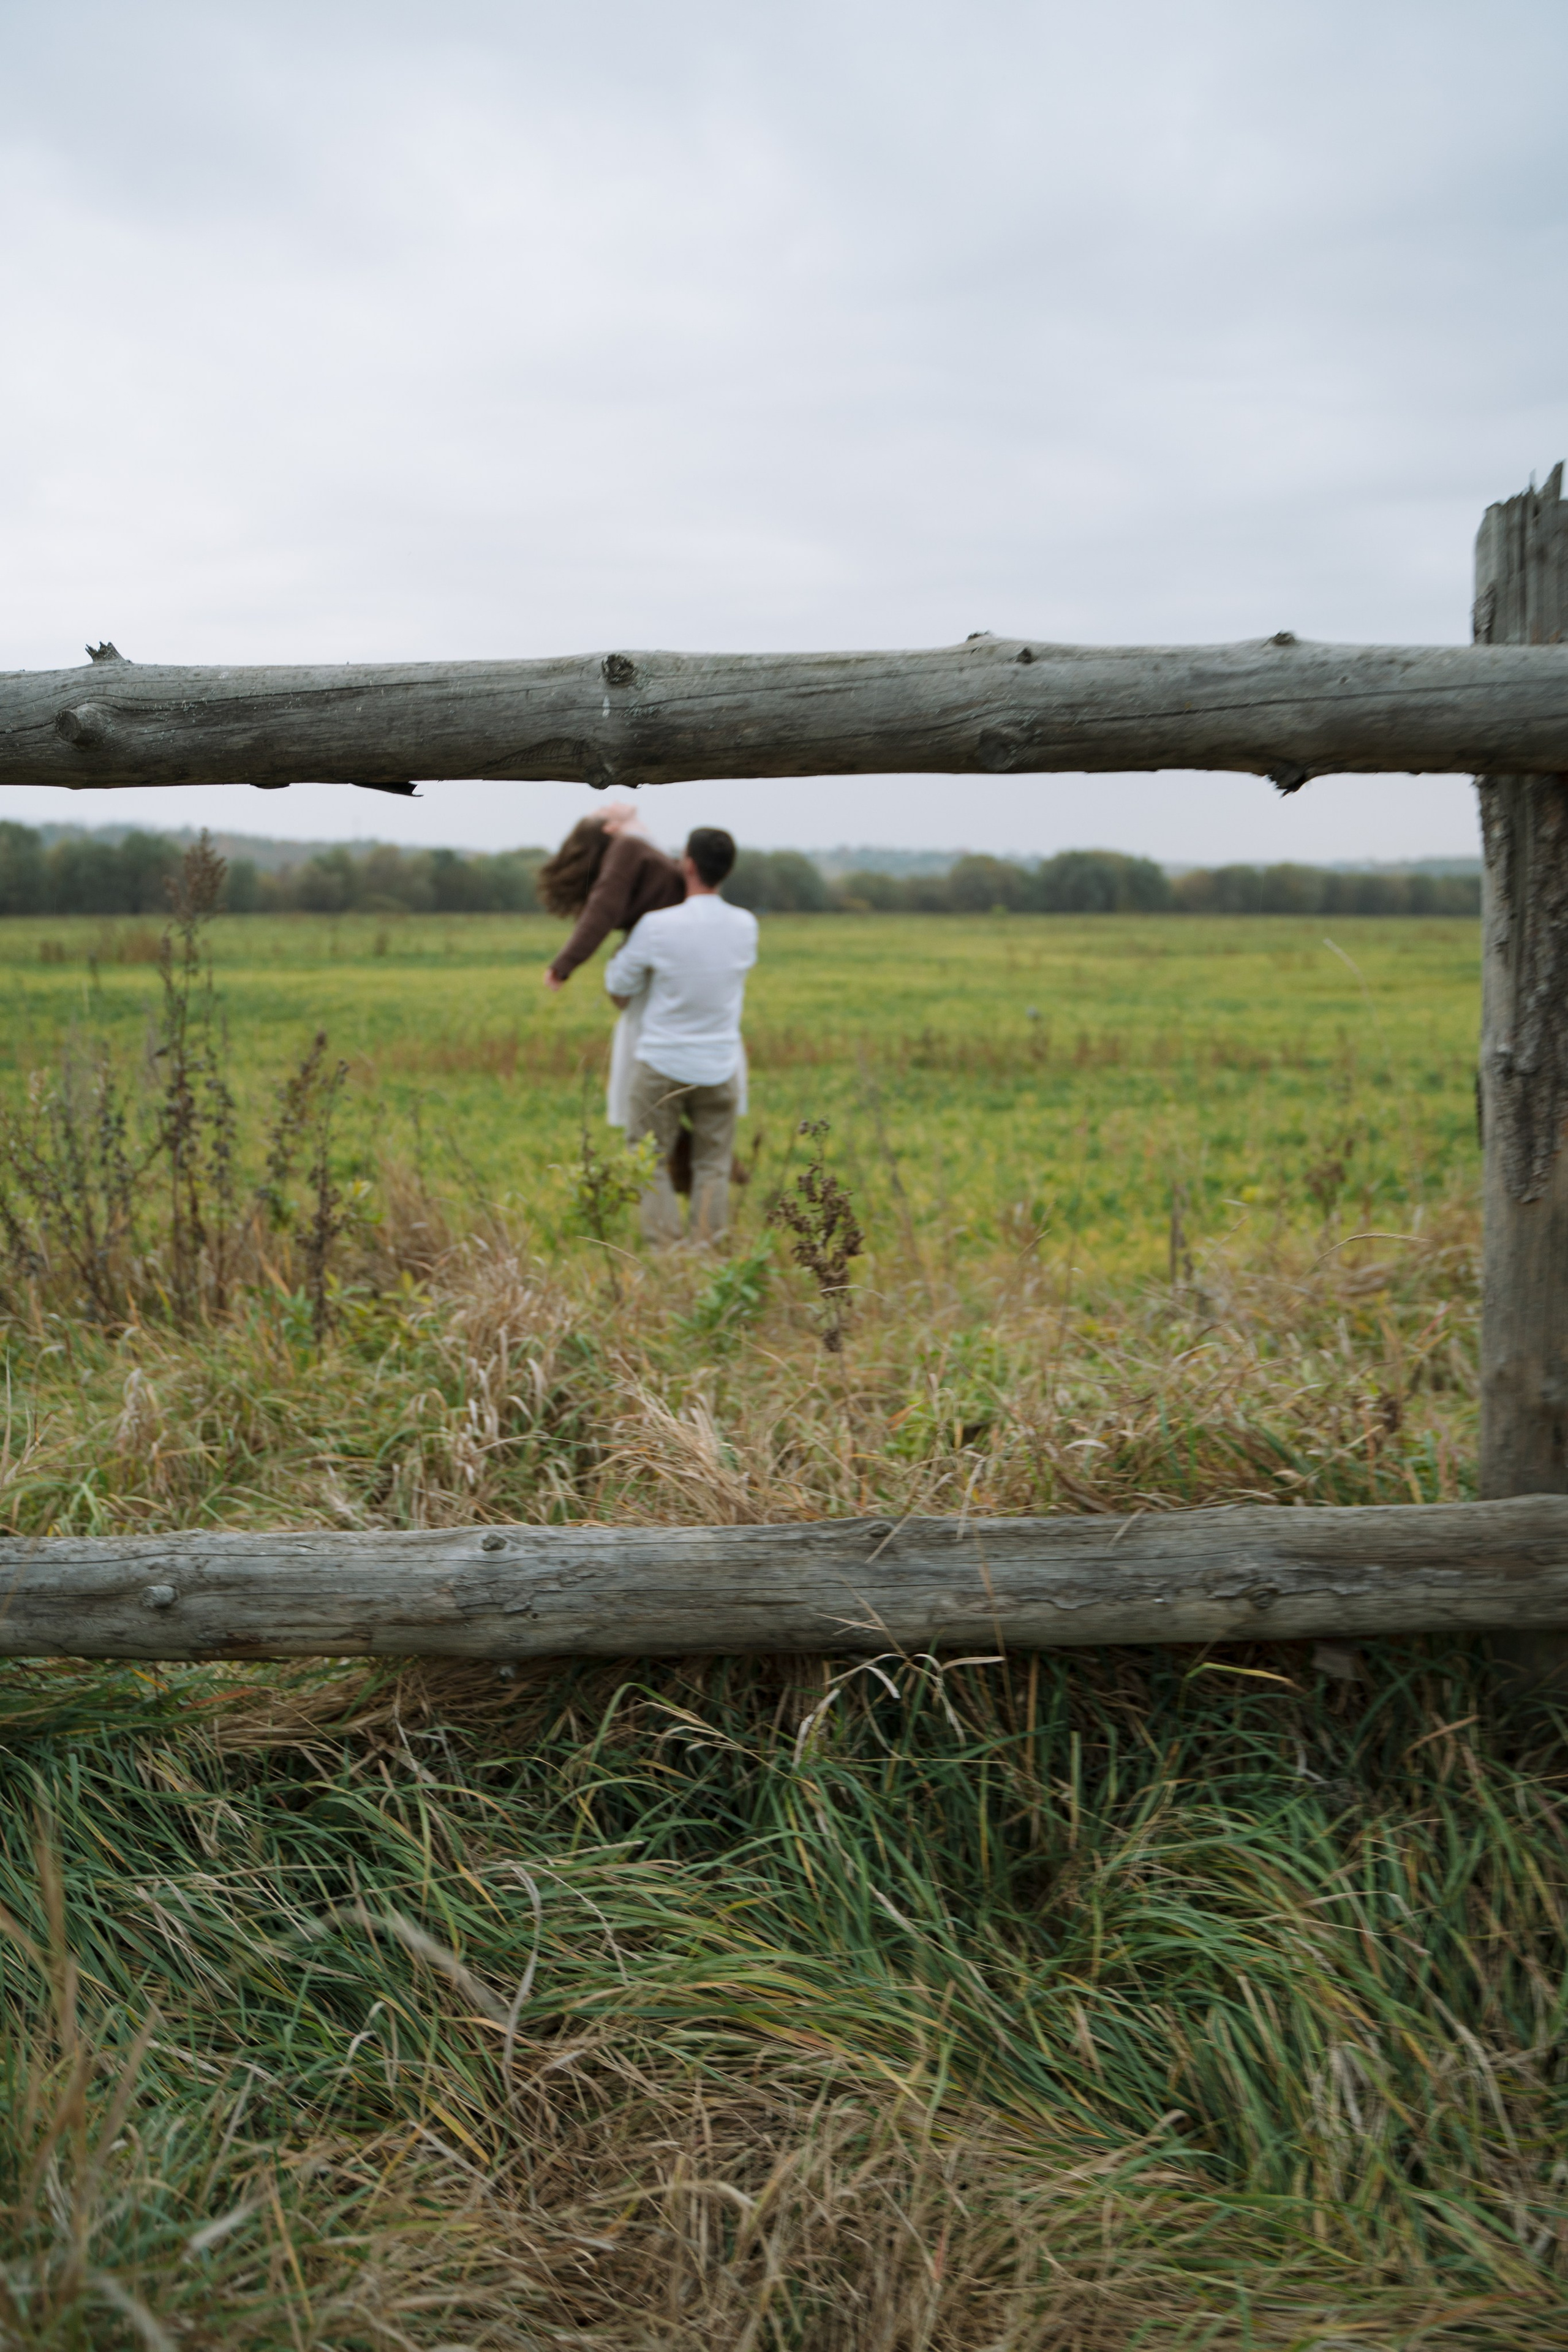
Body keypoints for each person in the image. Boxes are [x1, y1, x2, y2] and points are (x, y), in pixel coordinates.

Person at [605, 827, 757, 1245]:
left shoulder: (657, 926)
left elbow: (618, 981)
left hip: (661, 1065)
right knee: (713, 1165)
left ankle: (668, 1259)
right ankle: (708, 1256)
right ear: (727, 870)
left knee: (649, 1160)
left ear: (687, 864)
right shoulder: (746, 925)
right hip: (721, 1066)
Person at [536, 801, 685, 1128]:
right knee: (649, 1052)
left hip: (664, 954)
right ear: (610, 827)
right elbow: (604, 904)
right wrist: (565, 963)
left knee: (653, 1048)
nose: (607, 801)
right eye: (600, 810)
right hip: (661, 956)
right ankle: (660, 1135)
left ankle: (671, 1135)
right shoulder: (627, 846)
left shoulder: (636, 846)